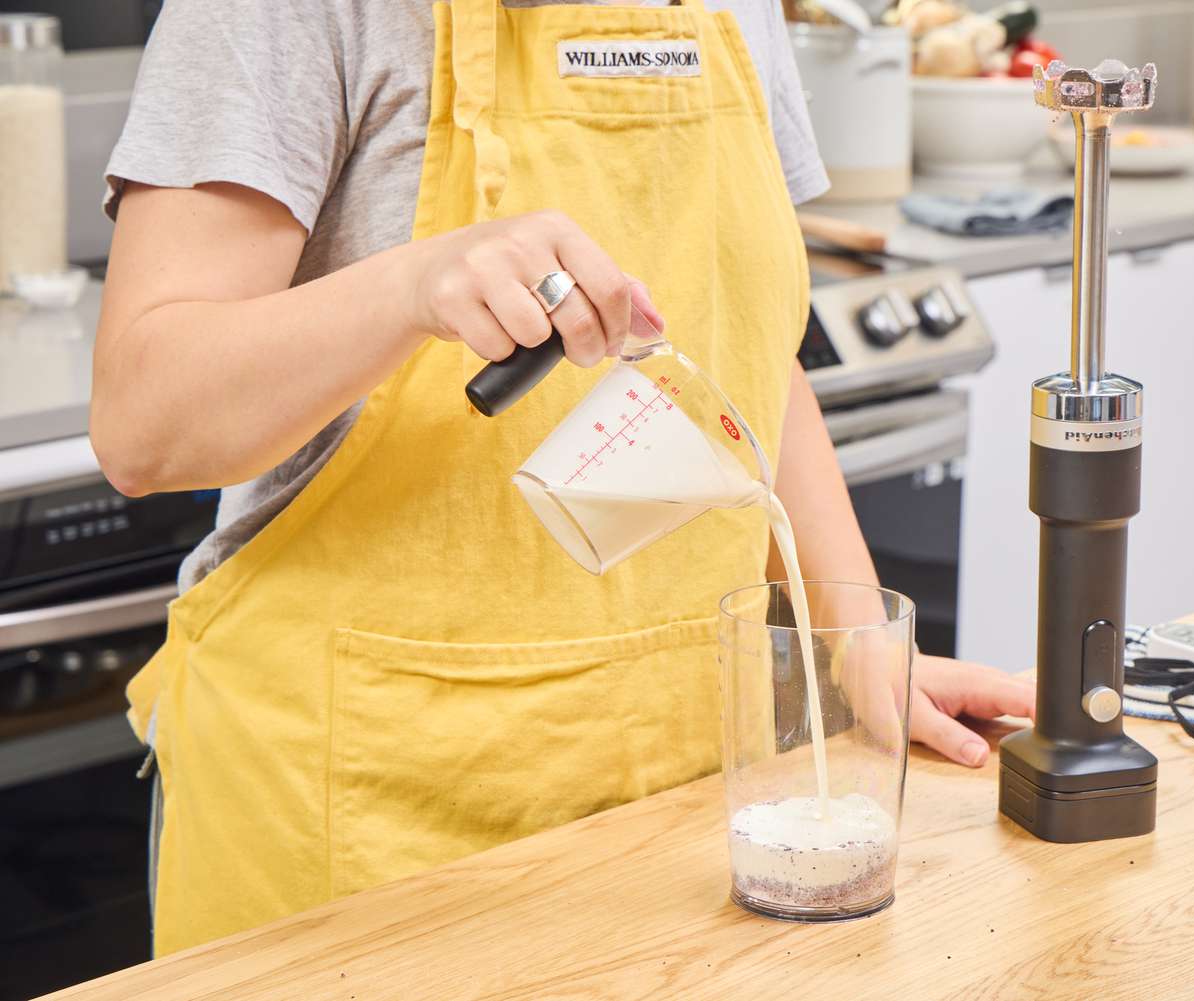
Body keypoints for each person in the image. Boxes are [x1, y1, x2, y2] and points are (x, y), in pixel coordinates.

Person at [92, 0, 1035, 955]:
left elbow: (747, 349)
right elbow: (145, 421)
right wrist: (409, 288)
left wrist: (856, 645)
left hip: (671, 817)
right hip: (356, 820)